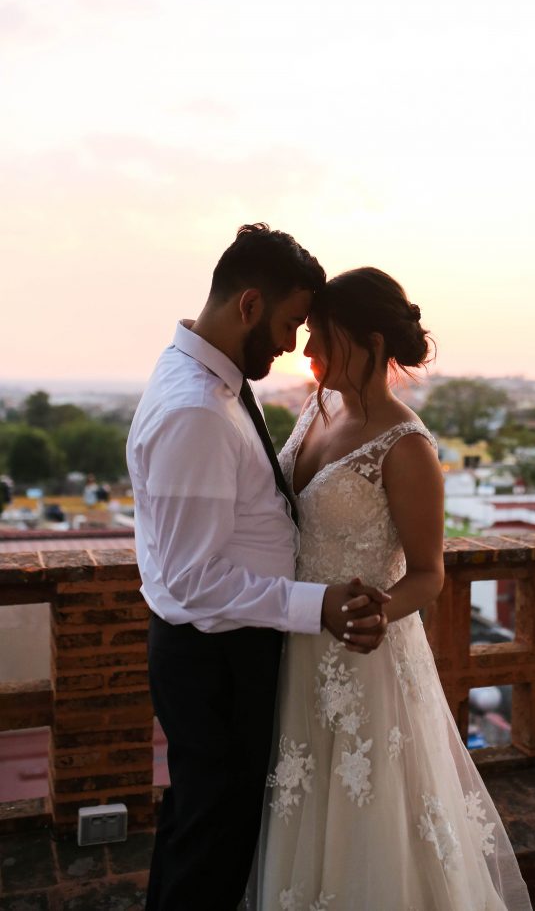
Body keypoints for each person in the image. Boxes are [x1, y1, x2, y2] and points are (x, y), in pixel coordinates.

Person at [126, 226, 390, 911]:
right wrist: (318, 604)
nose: (292, 343)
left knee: (197, 827)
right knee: (214, 844)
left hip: (219, 651)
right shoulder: (197, 410)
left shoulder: (210, 377)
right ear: (248, 304)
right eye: (287, 322)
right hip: (214, 657)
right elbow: (193, 581)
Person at [252, 268, 532, 911]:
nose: (307, 351)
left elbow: (429, 572)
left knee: (370, 814)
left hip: (363, 653)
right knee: (303, 804)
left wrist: (376, 612)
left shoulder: (406, 447)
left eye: (321, 336)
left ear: (369, 342)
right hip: (299, 640)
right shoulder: (317, 406)